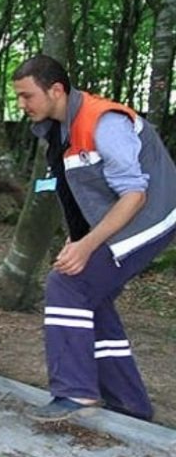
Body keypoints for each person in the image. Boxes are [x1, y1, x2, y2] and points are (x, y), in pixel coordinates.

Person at [12, 54, 176, 422]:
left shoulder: (103, 122)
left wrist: (87, 247)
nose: (21, 105)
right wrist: (78, 241)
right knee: (91, 298)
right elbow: (79, 194)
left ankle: (75, 392)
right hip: (118, 219)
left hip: (149, 216)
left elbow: (135, 195)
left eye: (27, 96)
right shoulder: (57, 129)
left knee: (67, 284)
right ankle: (129, 404)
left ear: (56, 90)